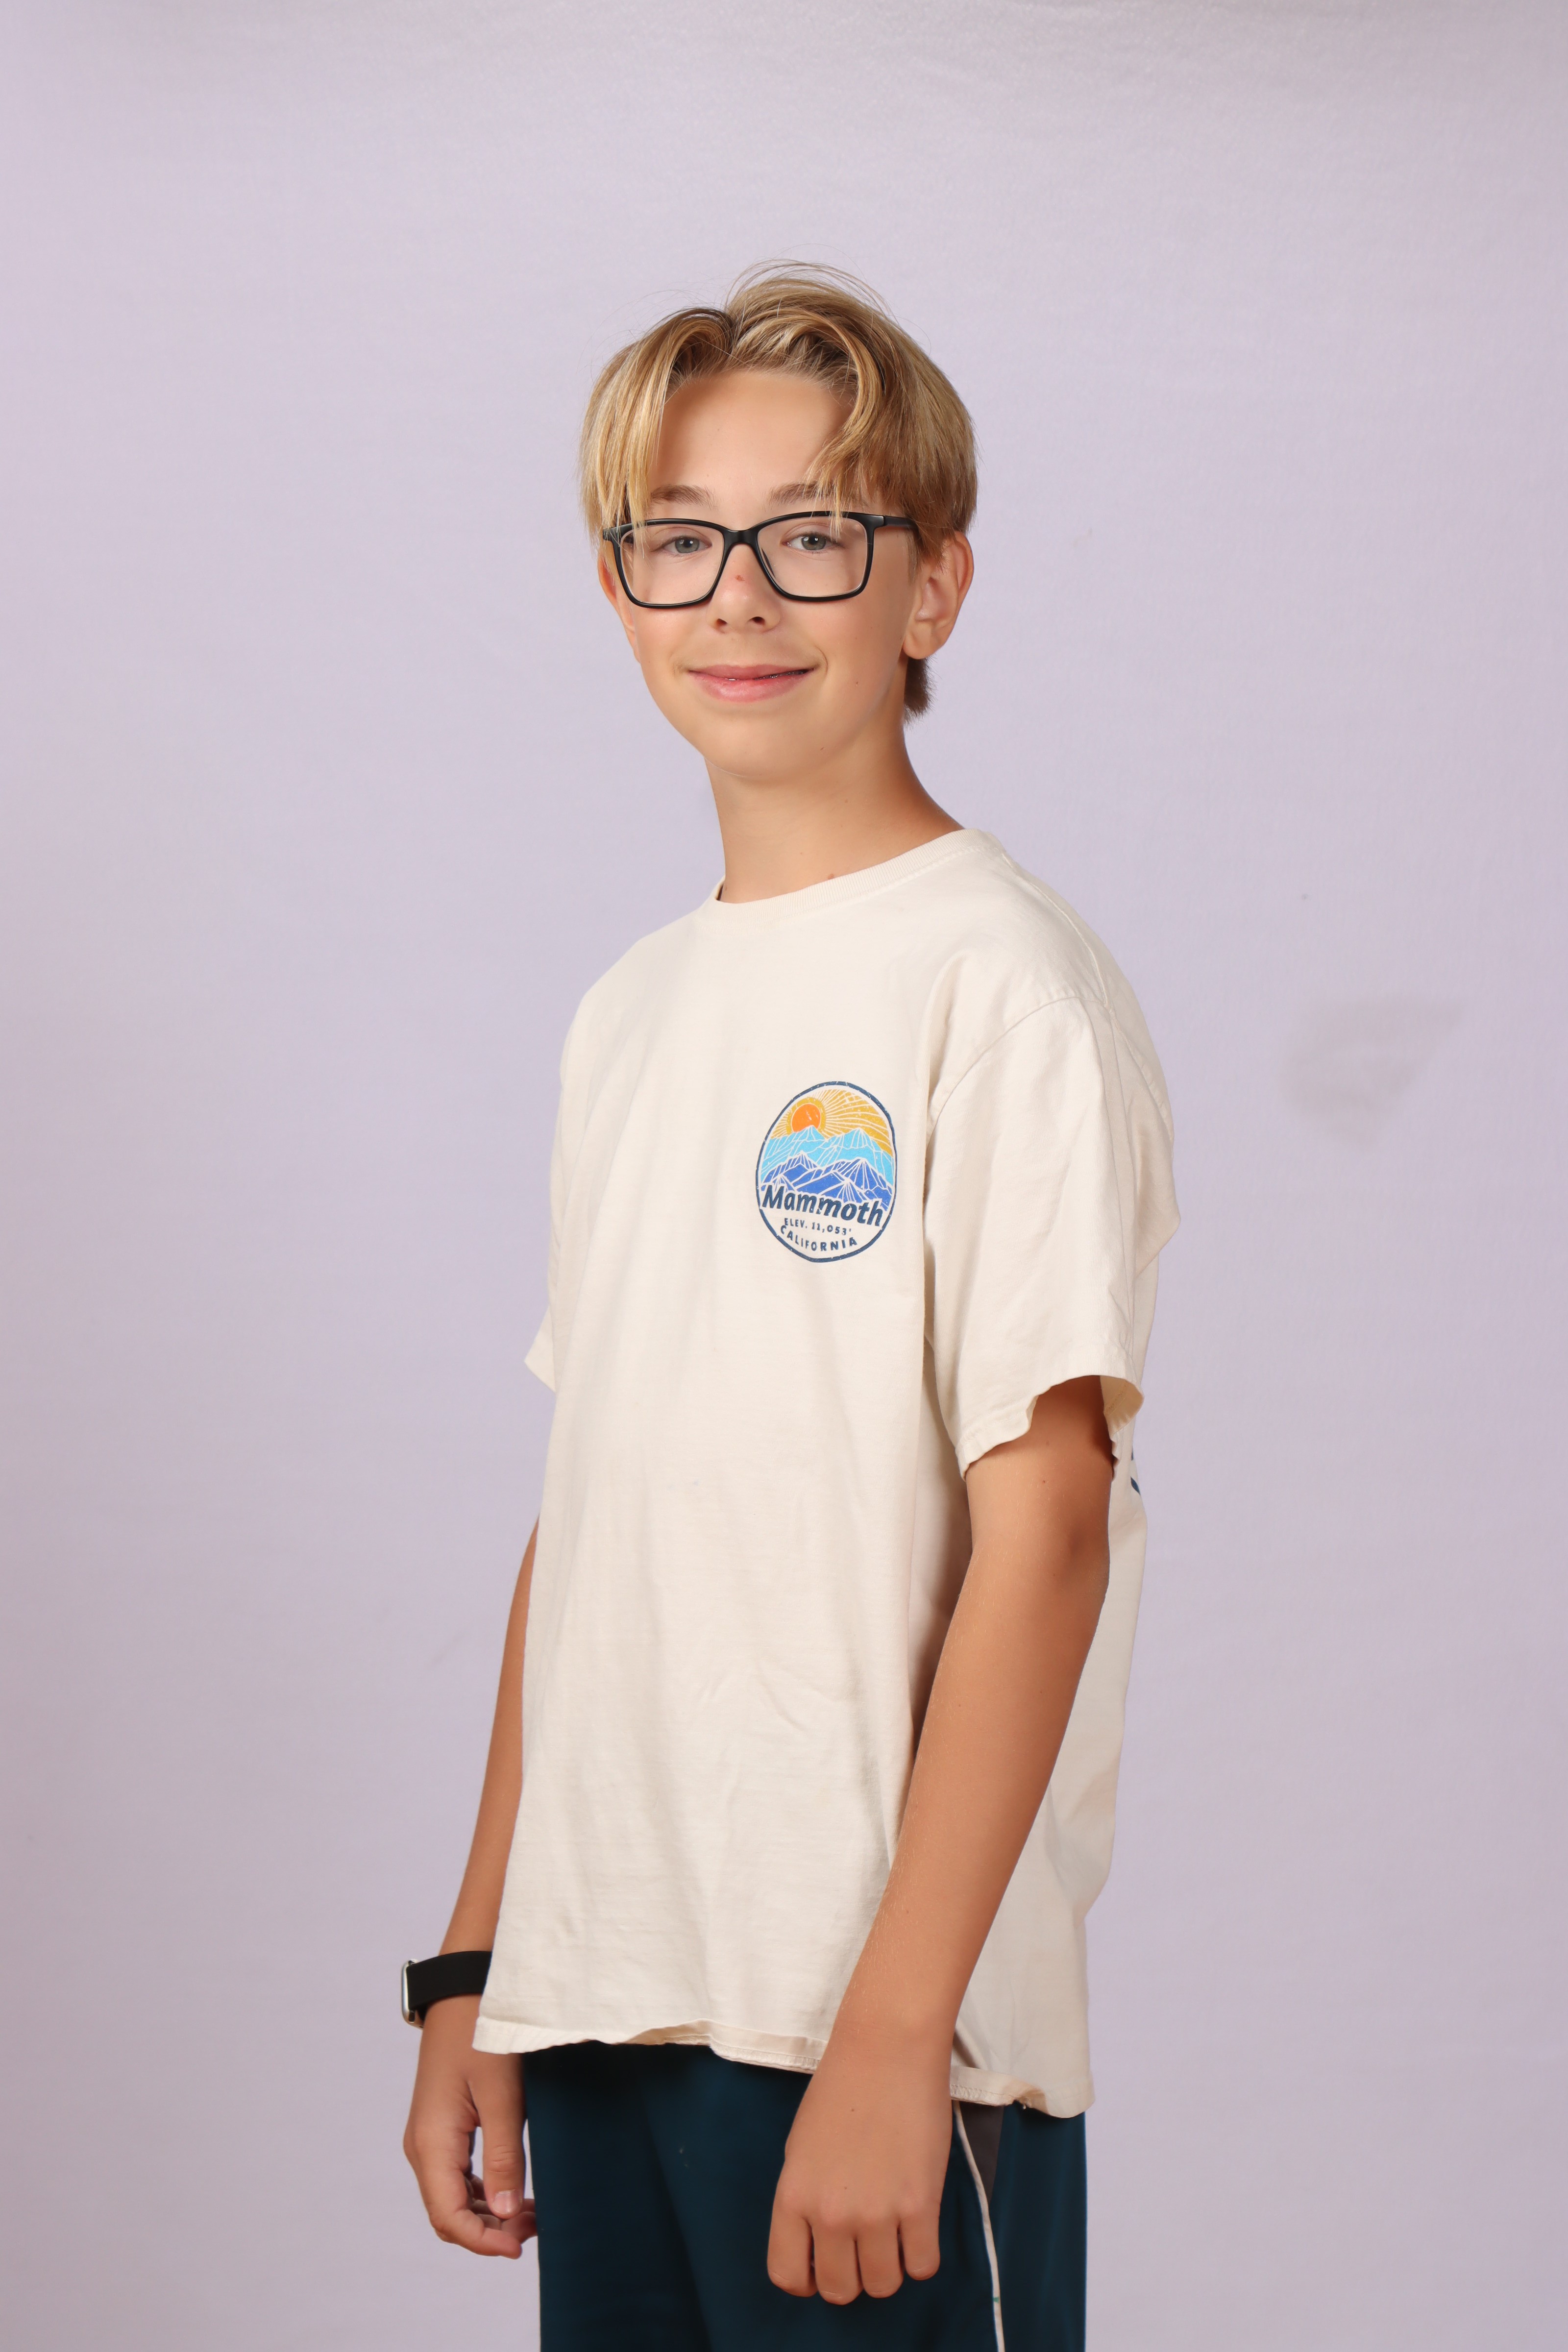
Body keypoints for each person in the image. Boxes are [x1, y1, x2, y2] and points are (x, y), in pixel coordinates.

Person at [402, 268, 1178, 2351]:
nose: (738, 595)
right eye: (681, 538)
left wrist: (893, 2033)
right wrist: (480, 1967)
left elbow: (1045, 1531)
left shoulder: (998, 986)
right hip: (608, 1995)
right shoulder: (632, 1013)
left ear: (931, 586)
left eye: (813, 533)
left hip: (861, 2028)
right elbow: (593, 1517)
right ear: (618, 588)